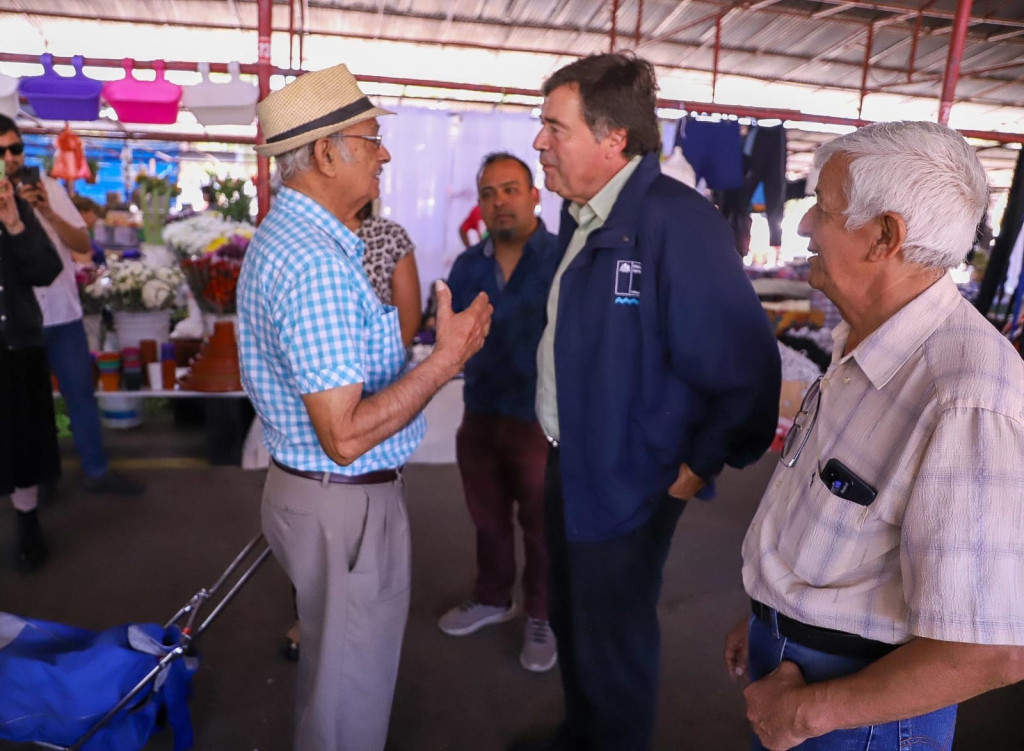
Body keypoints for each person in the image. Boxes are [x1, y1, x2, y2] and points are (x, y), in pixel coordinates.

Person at [724, 120, 1024, 751]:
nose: (804, 226)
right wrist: (766, 610)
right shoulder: (864, 339)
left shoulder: (967, 395)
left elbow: (989, 650)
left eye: (823, 210)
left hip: (859, 717)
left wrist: (808, 714)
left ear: (886, 235)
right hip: (797, 665)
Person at [518, 52, 781, 750]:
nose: (539, 141)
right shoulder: (583, 216)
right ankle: (584, 734)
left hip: (633, 476)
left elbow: (747, 369)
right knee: (576, 619)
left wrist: (699, 465)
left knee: (614, 638)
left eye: (554, 127)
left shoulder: (674, 223)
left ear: (614, 140)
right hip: (574, 462)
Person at [237, 63, 491, 751]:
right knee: (348, 701)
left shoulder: (297, 240)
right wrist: (446, 360)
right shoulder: (317, 261)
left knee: (336, 675)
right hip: (341, 499)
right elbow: (344, 435)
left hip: (316, 495)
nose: (383, 153)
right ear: (325, 152)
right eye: (371, 139)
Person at [279, 199, 423, 660]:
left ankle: (357, 630)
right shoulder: (305, 240)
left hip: (372, 390)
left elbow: (408, 318)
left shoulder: (389, 236)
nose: (379, 161)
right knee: (314, 523)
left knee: (362, 518)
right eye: (367, 149)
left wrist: (365, 377)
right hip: (316, 391)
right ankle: (311, 615)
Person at [438, 152, 560, 672]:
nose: (499, 201)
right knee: (487, 517)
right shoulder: (468, 266)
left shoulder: (564, 258)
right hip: (483, 412)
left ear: (535, 195)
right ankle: (491, 597)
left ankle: (541, 612)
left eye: (511, 189)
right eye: (488, 193)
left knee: (541, 523)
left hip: (541, 416)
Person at [0, 116, 143, 498]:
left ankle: (96, 471)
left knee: (80, 393)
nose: (10, 157)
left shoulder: (45, 186)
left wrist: (46, 211)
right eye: (2, 151)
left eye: (16, 148)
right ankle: (39, 479)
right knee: (28, 406)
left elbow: (82, 241)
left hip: (62, 313)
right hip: (17, 323)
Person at [0, 162, 64, 572]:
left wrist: (15, 226)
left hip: (16, 344)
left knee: (22, 440)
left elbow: (47, 271)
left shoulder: (15, 211)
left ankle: (28, 524)